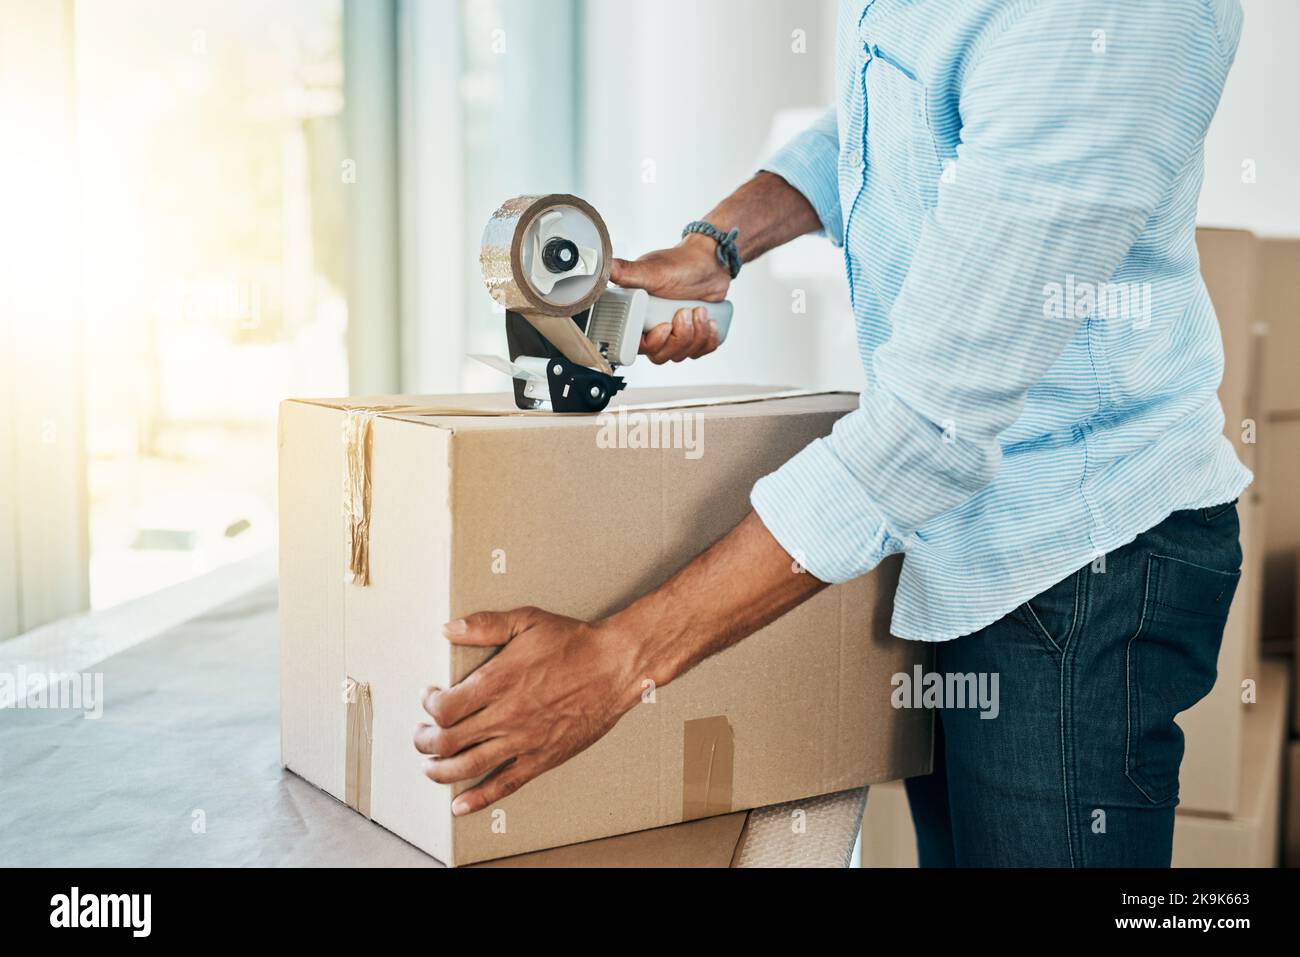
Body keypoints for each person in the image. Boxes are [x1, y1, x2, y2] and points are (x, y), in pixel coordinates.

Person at [413, 0, 1251, 867]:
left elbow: (929, 429)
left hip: (1080, 557)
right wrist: (716, 247)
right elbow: (876, 123)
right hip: (957, 533)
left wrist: (619, 661)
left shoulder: (1112, 20)